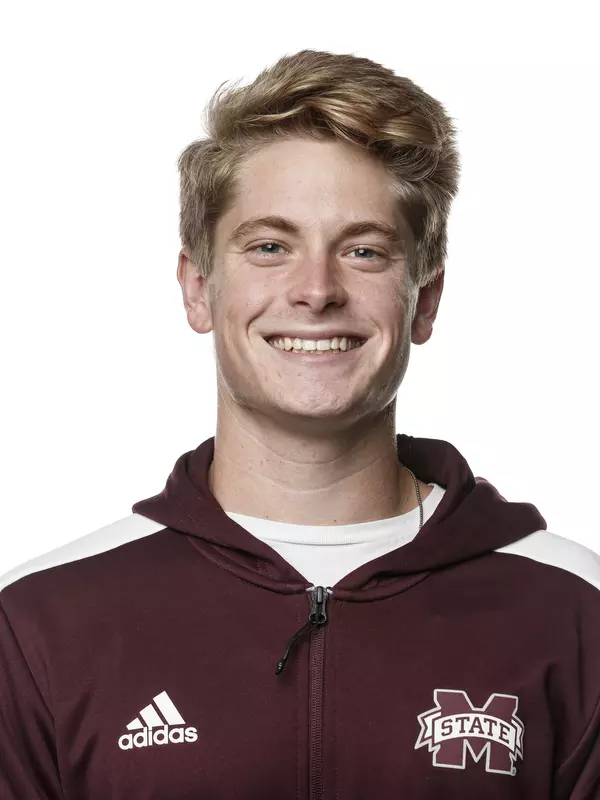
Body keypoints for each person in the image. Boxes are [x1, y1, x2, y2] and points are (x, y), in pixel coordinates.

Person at [1, 48, 599, 800]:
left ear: (427, 299)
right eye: (270, 247)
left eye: (364, 251)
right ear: (197, 288)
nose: (316, 291)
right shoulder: (44, 624)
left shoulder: (573, 613)